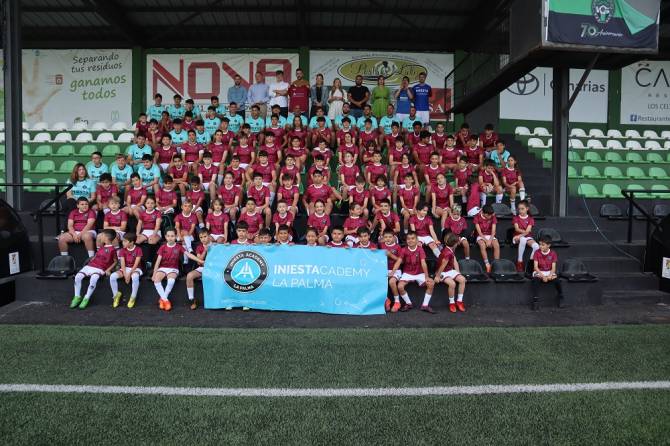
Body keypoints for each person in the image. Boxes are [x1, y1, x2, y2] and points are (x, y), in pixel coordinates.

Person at [153, 228, 203, 311]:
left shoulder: (179, 247)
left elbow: (189, 255)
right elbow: (158, 261)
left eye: (172, 236)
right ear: (165, 237)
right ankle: (165, 300)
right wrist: (154, 273)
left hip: (173, 269)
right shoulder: (162, 247)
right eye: (168, 236)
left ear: (176, 236)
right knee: (156, 280)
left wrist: (200, 261)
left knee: (171, 281)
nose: (170, 238)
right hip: (163, 268)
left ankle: (162, 299)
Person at [70, 229, 118, 310]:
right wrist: (92, 259)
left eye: (102, 235)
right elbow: (96, 255)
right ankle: (77, 297)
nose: (100, 237)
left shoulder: (112, 249)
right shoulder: (102, 247)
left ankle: (86, 298)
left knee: (94, 278)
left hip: (100, 268)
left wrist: (108, 269)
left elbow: (115, 261)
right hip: (91, 266)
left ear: (106, 237)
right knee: (78, 276)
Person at [390, 231, 436, 314]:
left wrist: (426, 276)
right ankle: (408, 304)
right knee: (400, 286)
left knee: (431, 283)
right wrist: (392, 273)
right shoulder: (404, 250)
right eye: (408, 239)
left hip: (419, 273)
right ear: (406, 240)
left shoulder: (420, 249)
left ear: (417, 240)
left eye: (412, 238)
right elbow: (398, 262)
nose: (410, 240)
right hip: (407, 273)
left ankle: (425, 305)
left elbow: (423, 263)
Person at [434, 233, 467, 313]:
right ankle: (452, 303)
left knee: (462, 280)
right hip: (442, 272)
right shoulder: (448, 253)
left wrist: (458, 273)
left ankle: (459, 301)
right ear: (455, 244)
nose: (458, 244)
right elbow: (442, 266)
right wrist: (437, 276)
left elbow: (455, 262)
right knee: (452, 284)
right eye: (457, 242)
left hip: (449, 270)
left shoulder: (450, 250)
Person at [110, 232, 143, 309]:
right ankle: (116, 295)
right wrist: (125, 275)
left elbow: (136, 264)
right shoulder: (122, 250)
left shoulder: (138, 249)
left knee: (135, 277)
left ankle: (133, 297)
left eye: (125, 241)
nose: (123, 243)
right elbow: (122, 264)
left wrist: (129, 274)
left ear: (132, 242)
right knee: (112, 276)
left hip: (136, 268)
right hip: (125, 268)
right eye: (123, 241)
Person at [531, 235, 564, 310]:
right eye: (540, 244)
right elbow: (535, 267)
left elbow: (553, 268)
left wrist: (549, 275)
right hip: (539, 271)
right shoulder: (536, 252)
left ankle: (561, 296)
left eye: (543, 245)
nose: (540, 246)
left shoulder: (553, 253)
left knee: (557, 280)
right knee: (536, 280)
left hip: (549, 271)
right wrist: (543, 276)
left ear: (548, 245)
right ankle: (535, 300)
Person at [185, 229, 212, 310]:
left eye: (205, 236)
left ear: (209, 236)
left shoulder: (215, 245)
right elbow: (199, 262)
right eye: (201, 237)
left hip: (213, 269)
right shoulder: (199, 247)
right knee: (189, 276)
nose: (203, 239)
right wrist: (205, 251)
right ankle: (192, 299)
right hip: (203, 268)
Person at [513, 200, 540, 272]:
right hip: (516, 237)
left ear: (527, 209)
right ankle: (519, 262)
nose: (520, 211)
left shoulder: (530, 219)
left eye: (522, 209)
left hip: (526, 236)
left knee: (536, 246)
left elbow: (528, 232)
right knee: (523, 239)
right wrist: (523, 234)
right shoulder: (516, 218)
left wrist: (523, 234)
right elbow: (517, 229)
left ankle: (530, 263)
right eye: (519, 209)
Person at [380, 228, 404, 312]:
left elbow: (401, 262)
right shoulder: (381, 245)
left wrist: (390, 255)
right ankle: (386, 299)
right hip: (384, 269)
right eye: (386, 237)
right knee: (378, 281)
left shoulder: (398, 247)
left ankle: (397, 302)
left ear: (394, 237)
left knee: (392, 282)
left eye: (390, 237)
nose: (388, 239)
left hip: (396, 270)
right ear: (383, 238)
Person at [474, 204, 499, 273]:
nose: (490, 217)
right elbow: (479, 232)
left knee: (496, 245)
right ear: (483, 213)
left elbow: (493, 232)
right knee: (482, 245)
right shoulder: (477, 217)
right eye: (488, 215)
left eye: (491, 215)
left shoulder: (493, 217)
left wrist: (489, 240)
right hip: (481, 236)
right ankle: (487, 265)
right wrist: (486, 241)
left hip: (490, 235)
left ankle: (496, 265)